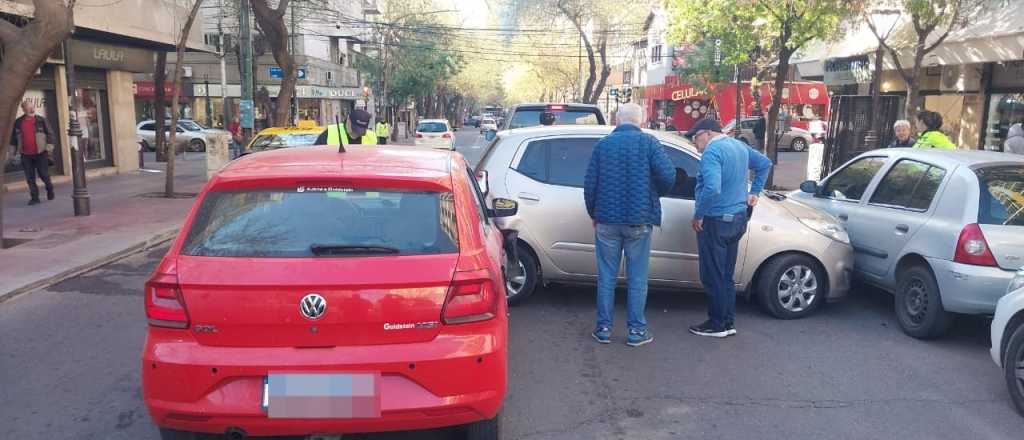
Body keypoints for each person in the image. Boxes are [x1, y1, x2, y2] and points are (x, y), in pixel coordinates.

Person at [583, 103, 675, 347]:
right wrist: (654, 193)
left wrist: (594, 212)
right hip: (639, 219)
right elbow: (668, 176)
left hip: (606, 221)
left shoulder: (603, 146)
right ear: (641, 121)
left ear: (617, 120)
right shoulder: (650, 144)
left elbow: (590, 185)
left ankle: (603, 328)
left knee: (606, 277)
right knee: (637, 279)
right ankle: (636, 331)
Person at [685, 118, 772, 338]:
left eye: (696, 138)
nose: (695, 144)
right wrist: (755, 192)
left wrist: (698, 214)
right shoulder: (738, 146)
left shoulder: (712, 153)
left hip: (715, 221)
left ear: (707, 133)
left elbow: (712, 188)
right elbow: (764, 164)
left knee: (712, 274)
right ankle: (727, 321)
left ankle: (716, 324)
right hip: (737, 219)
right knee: (725, 274)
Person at [10, 100, 56, 206]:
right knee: (30, 177)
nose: (31, 109)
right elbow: (13, 140)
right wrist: (12, 154)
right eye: (28, 107)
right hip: (25, 154)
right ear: (23, 109)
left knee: (43, 174)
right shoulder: (18, 122)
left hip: (41, 153)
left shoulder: (41, 120)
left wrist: (49, 148)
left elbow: (50, 134)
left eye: (32, 107)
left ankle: (50, 188)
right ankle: (35, 198)